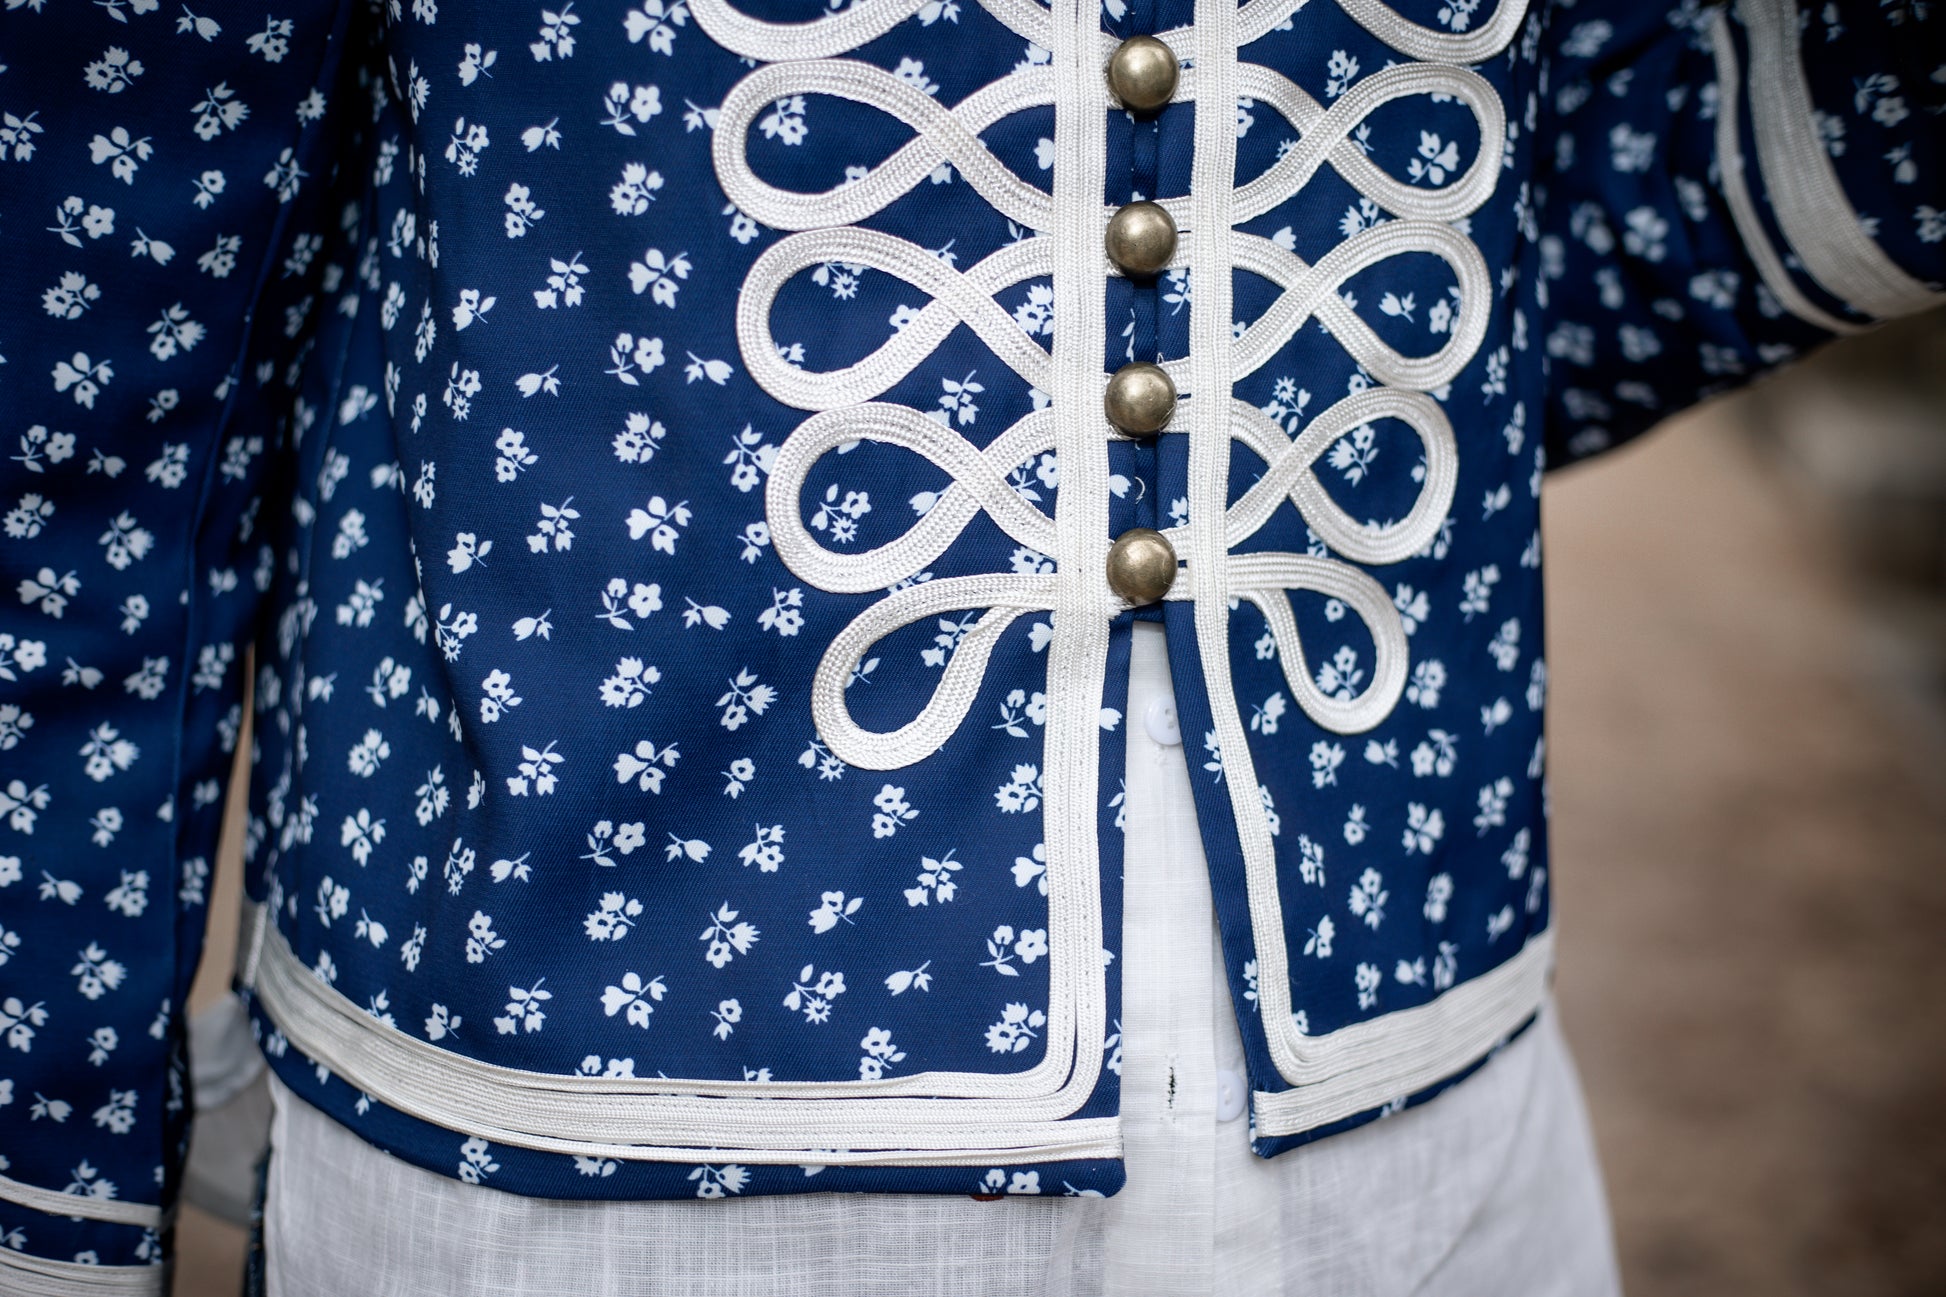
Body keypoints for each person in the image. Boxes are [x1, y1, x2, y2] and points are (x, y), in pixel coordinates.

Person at [0, 0, 1937, 1292]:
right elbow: (101, 324)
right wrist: (53, 1146)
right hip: (581, 1146)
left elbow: (1505, 241)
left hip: (1426, 1120)